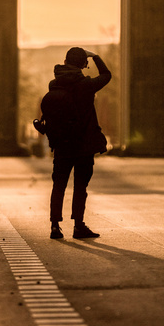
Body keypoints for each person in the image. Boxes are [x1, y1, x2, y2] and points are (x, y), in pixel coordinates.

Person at [36, 46, 111, 240]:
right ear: (82, 64)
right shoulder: (86, 85)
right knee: (80, 187)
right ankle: (78, 226)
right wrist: (95, 56)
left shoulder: (54, 84)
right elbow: (106, 75)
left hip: (61, 144)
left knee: (59, 185)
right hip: (83, 144)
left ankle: (54, 226)